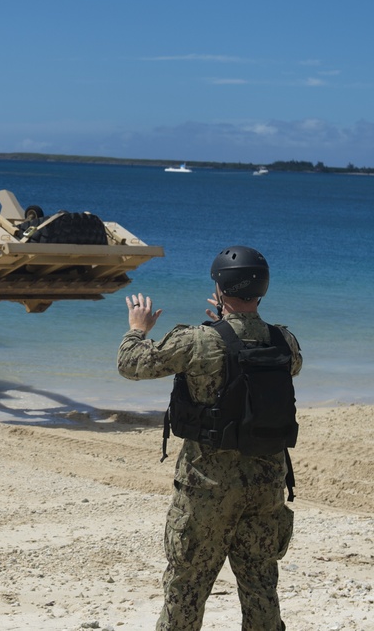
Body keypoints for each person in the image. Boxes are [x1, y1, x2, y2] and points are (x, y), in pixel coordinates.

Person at [117, 246, 302, 631]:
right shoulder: (285, 341)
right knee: (260, 586)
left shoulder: (198, 341)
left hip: (208, 489)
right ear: (262, 289)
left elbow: (132, 365)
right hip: (266, 486)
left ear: (219, 289)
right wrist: (230, 324)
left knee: (187, 586)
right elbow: (272, 365)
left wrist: (138, 329)